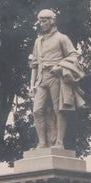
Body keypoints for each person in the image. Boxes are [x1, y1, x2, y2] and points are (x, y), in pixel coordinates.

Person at [29, 9, 85, 149]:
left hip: (56, 77)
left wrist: (60, 67)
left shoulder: (62, 38)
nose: (41, 24)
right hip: (41, 79)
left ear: (52, 20)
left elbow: (74, 56)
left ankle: (59, 142)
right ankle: (42, 143)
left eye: (44, 20)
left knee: (58, 109)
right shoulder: (38, 41)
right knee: (37, 110)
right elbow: (34, 64)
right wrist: (32, 84)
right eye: (40, 21)